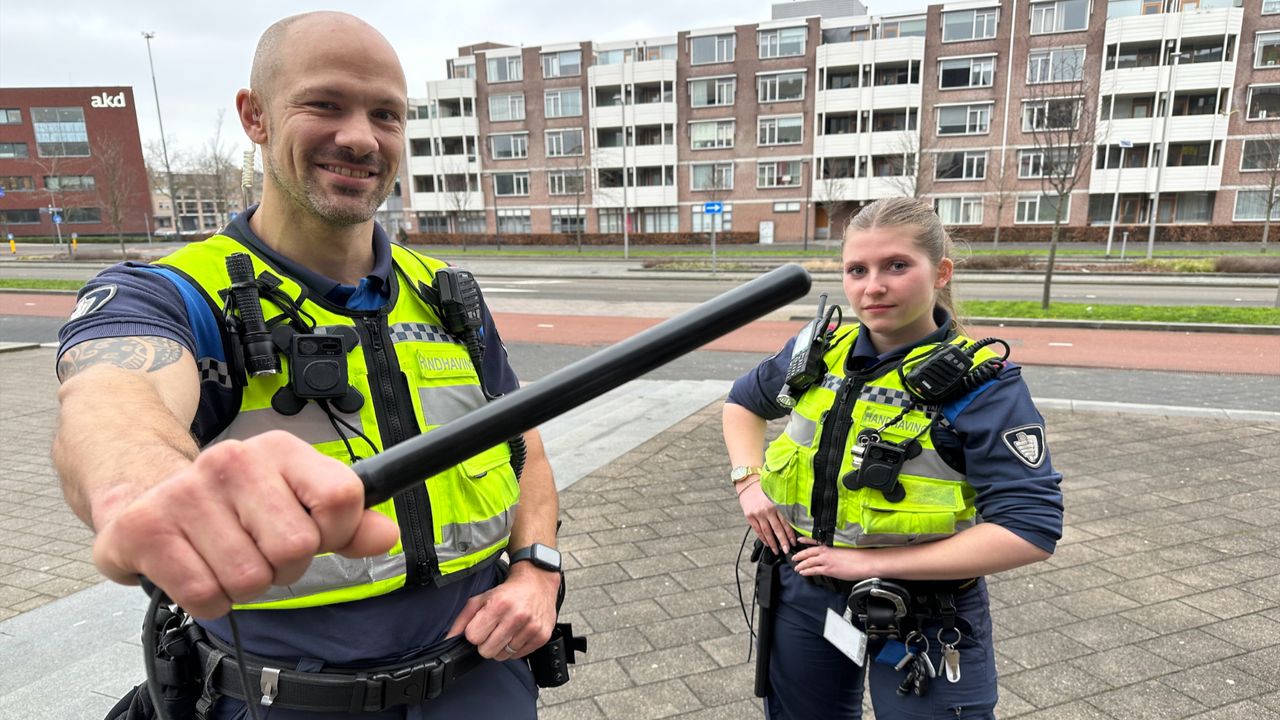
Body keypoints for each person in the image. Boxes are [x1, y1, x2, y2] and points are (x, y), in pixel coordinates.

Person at [53, 12, 560, 719]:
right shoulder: (175, 293)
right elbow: (111, 394)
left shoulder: (449, 295)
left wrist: (539, 568)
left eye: (385, 114)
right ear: (254, 116)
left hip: (483, 685)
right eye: (324, 104)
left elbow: (522, 442)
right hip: (281, 699)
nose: (359, 137)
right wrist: (142, 487)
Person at [722, 198, 1063, 719]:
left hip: (925, 613)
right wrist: (748, 482)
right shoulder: (818, 351)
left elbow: (1031, 530)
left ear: (940, 272)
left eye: (896, 266)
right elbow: (744, 402)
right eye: (857, 269)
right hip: (807, 591)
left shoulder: (982, 387)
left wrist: (869, 563)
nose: (872, 287)